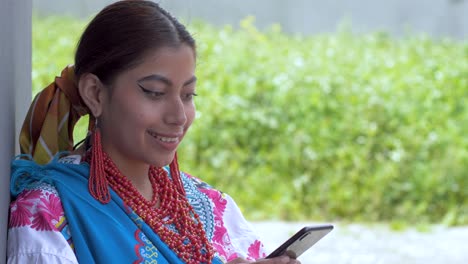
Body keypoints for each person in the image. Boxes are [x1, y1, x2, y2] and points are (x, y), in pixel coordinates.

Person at [7, 1, 300, 263]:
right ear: (95, 94)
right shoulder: (48, 213)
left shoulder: (211, 204)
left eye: (188, 95)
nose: (178, 116)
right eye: (155, 92)